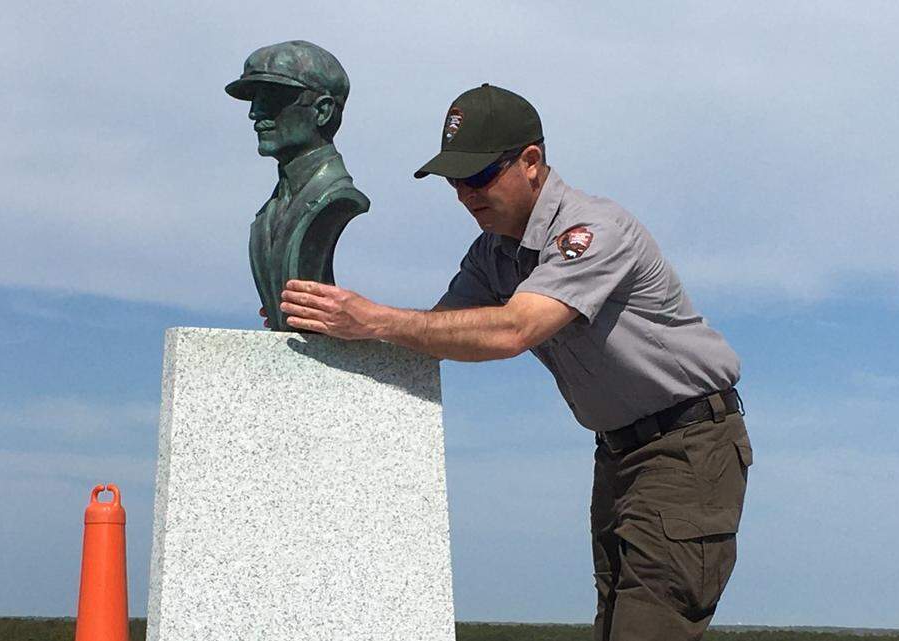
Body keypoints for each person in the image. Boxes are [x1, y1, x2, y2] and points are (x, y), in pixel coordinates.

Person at [278, 83, 753, 641]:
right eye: (454, 181)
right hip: (619, 454)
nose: (465, 194)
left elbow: (514, 330)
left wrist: (371, 319)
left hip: (687, 446)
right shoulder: (492, 253)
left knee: (648, 629)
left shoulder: (591, 231)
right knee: (615, 627)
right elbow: (438, 332)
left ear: (531, 161)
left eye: (479, 175)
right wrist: (330, 326)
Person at [226, 40, 370, 331]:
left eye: (273, 98)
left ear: (322, 111)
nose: (255, 113)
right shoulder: (269, 212)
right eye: (254, 99)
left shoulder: (336, 198)